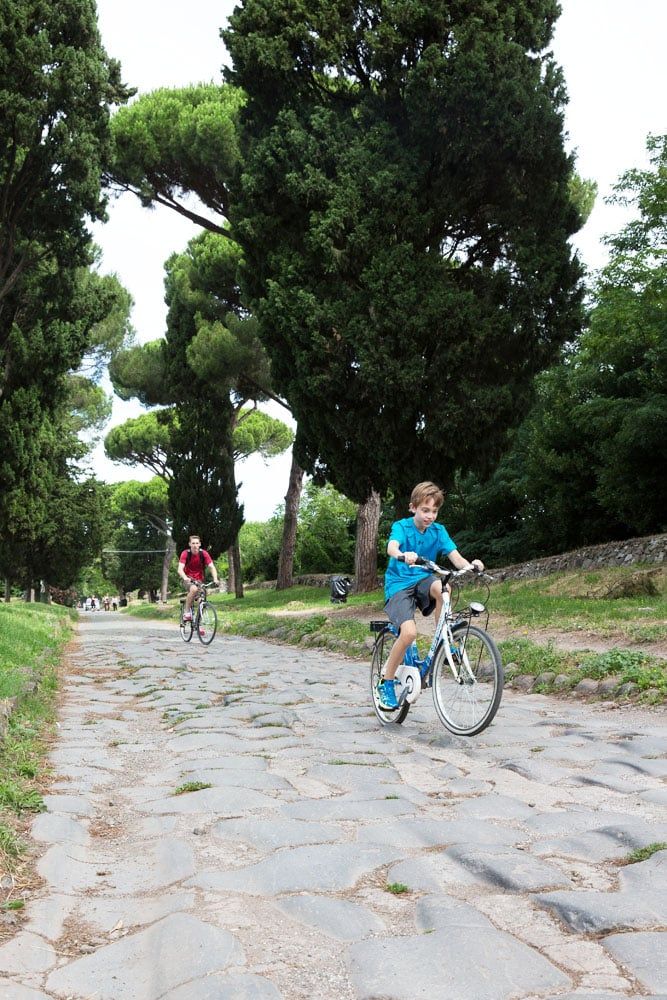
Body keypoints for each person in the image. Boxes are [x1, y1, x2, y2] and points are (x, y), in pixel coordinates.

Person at [378, 481, 484, 711]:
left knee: (444, 589)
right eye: (425, 510)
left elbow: (456, 558)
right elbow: (391, 548)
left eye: (434, 511)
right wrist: (402, 555)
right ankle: (385, 683)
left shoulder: (439, 531)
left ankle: (444, 637)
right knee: (409, 633)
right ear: (413, 507)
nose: (430, 516)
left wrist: (472, 565)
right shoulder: (402, 526)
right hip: (398, 584)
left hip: (423, 580)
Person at [177, 535, 220, 621]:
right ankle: (186, 612)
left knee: (202, 599)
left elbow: (212, 567)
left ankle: (198, 623)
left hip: (199, 580)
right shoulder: (185, 553)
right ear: (190, 544)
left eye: (197, 543)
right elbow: (180, 569)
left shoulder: (203, 554)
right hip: (187, 579)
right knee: (193, 589)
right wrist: (185, 578)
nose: (195, 545)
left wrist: (215, 578)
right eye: (193, 543)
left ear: (200, 544)